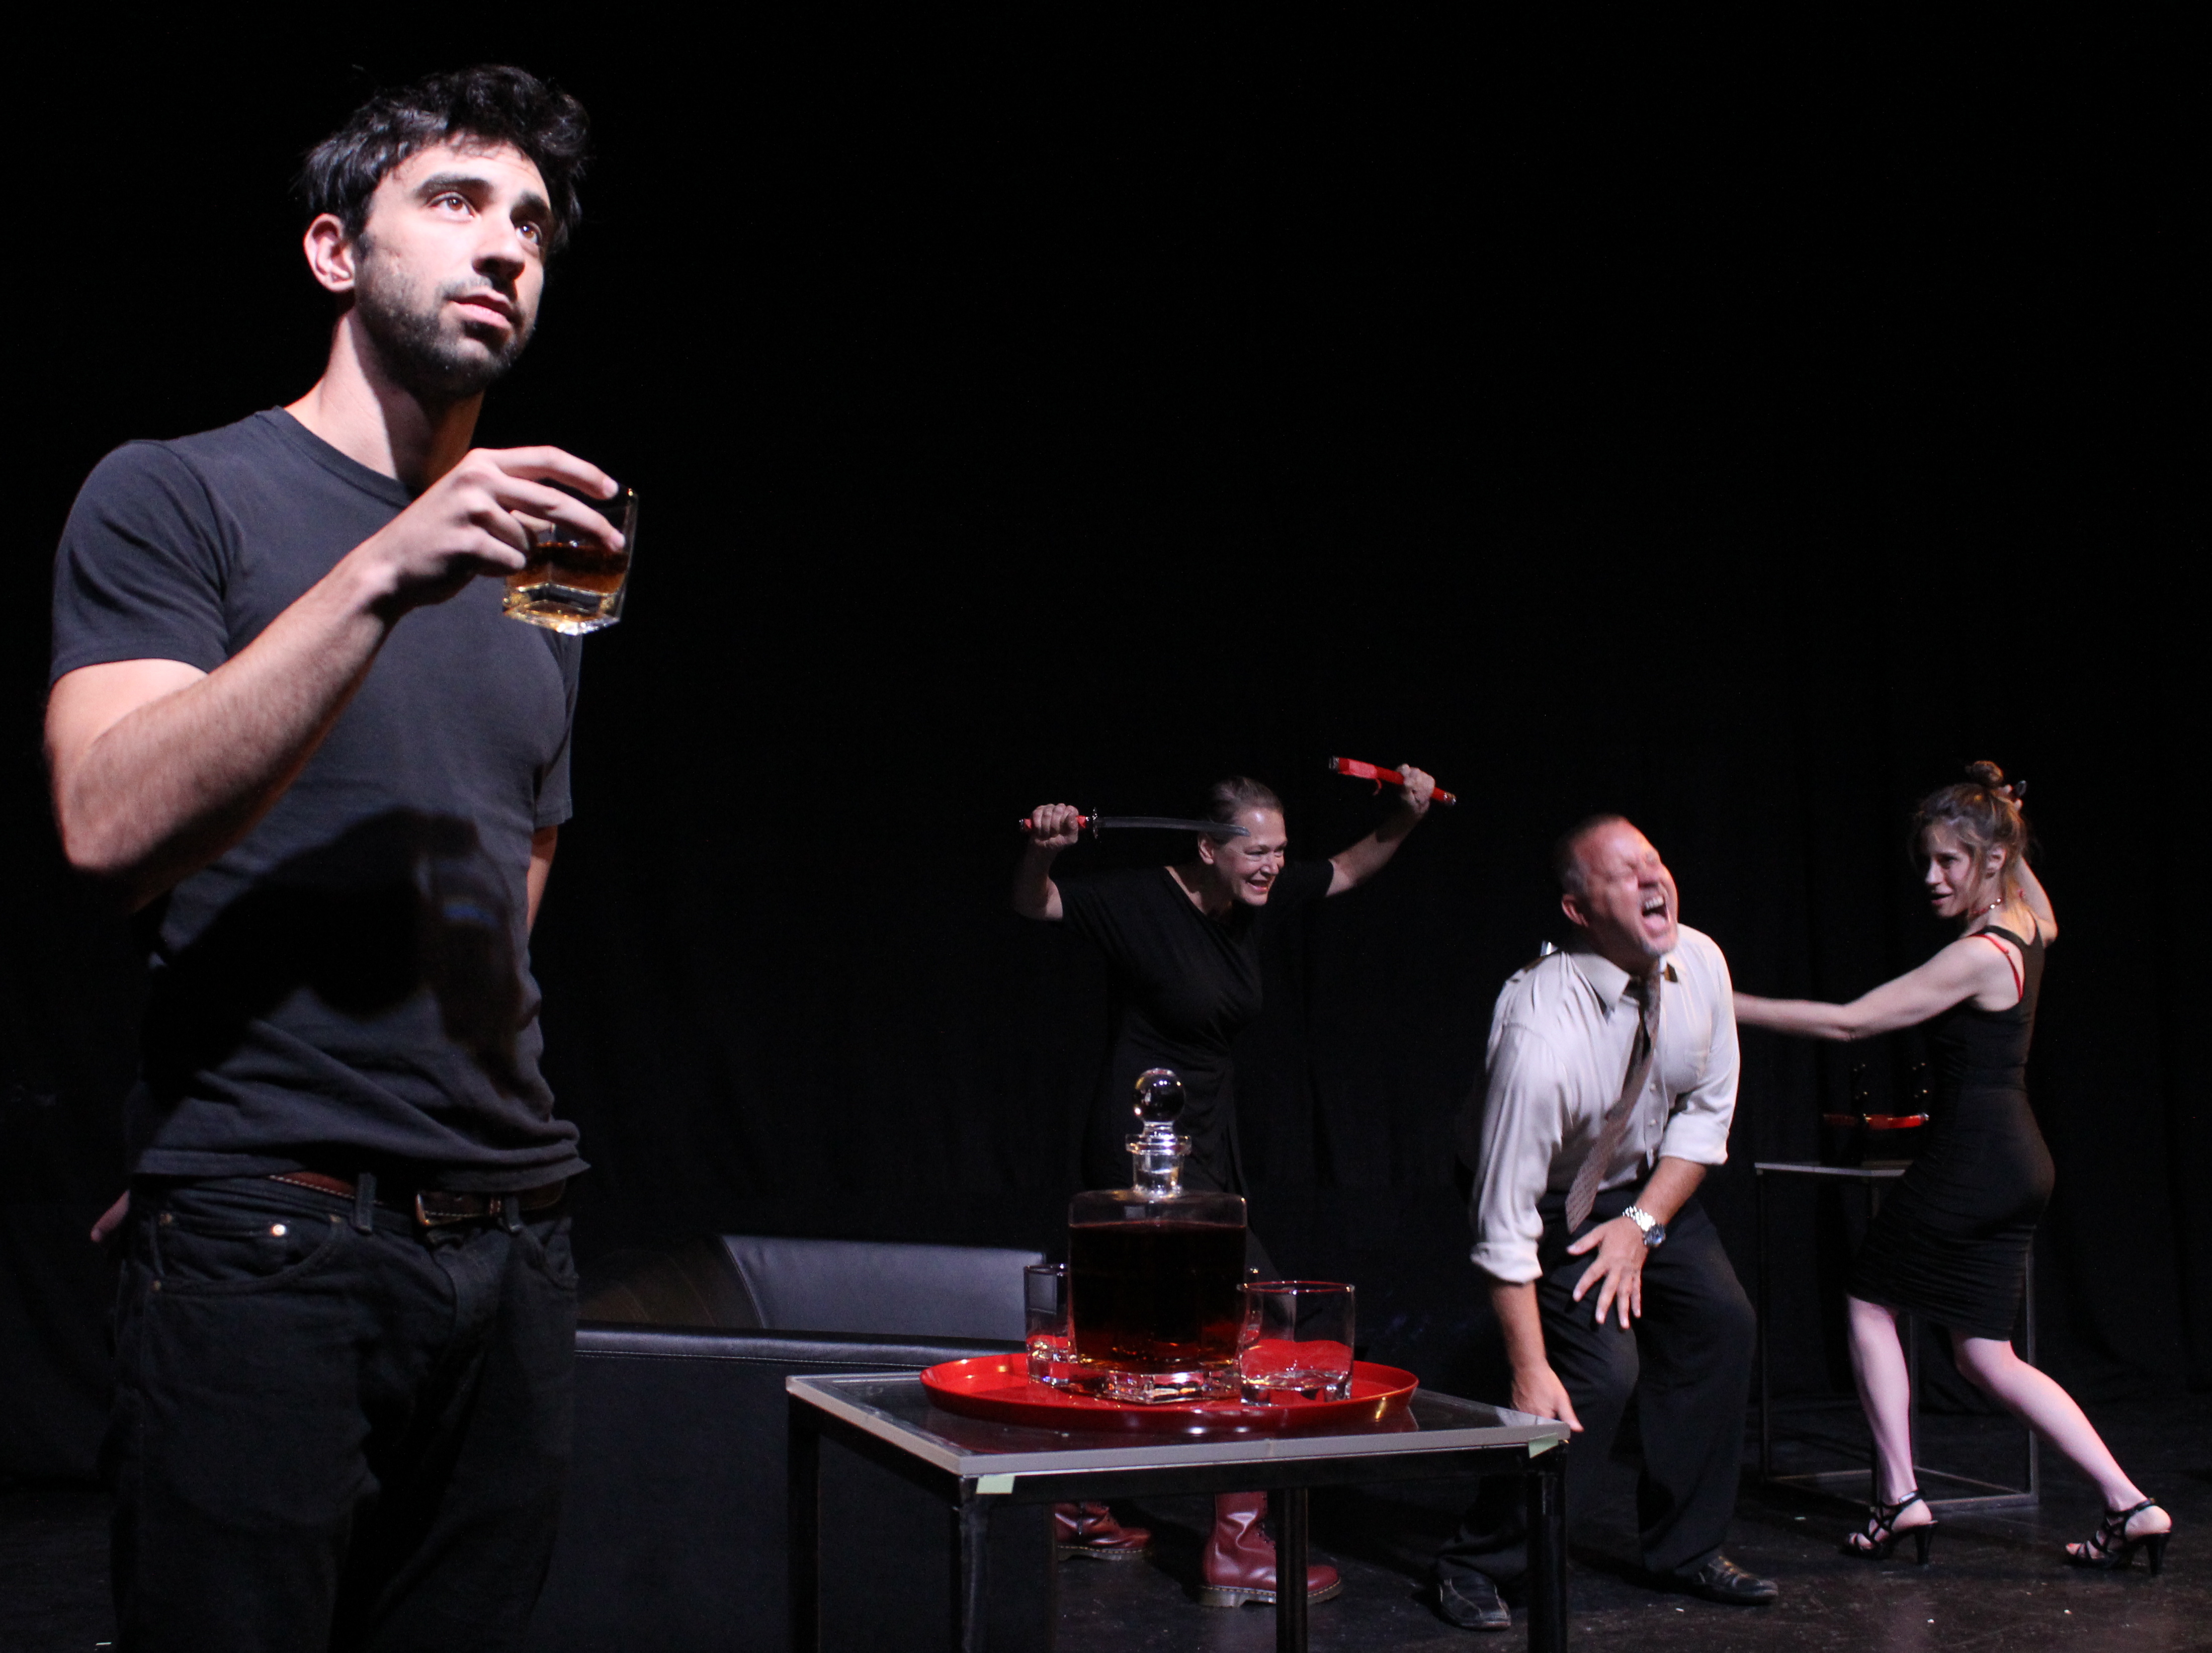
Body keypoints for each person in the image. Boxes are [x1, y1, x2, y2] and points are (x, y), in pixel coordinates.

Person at [46, 66, 623, 1649]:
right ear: (332, 251)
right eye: (455, 201)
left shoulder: (540, 568)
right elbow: (104, 822)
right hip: (276, 1240)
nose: (504, 245)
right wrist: (381, 569)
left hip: (513, 1242)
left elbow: (515, 854)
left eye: (533, 224)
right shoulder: (175, 492)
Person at [1733, 763, 2171, 1574]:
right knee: (1984, 1355)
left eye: (1949, 861)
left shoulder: (1978, 953)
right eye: (1926, 861)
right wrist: (2005, 816)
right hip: (2018, 1161)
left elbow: (1850, 1023)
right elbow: (2037, 897)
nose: (1931, 877)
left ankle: (1898, 1497)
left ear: (1992, 859)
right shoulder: (2027, 923)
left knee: (1868, 1303)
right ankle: (2129, 1502)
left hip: (1972, 1159)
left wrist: (1717, 1002)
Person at [1015, 768, 1434, 1608]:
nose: (1273, 865)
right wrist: (1041, 849)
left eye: (1280, 850)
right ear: (1207, 848)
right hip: (1146, 1140)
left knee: (1131, 1323)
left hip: (1207, 1135)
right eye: (1257, 850)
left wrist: (1407, 813)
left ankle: (1075, 1506)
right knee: (1251, 1317)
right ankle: (1235, 1548)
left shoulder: (1252, 901)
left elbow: (1346, 869)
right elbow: (1038, 903)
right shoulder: (1140, 899)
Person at [1434, 815, 1775, 1633]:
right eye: (1624, 873)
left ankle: (1685, 1549)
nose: (1652, 879)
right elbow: (1503, 1222)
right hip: (1547, 1198)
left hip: (1640, 1183)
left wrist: (1641, 1224)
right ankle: (1479, 1561)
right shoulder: (1539, 1032)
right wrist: (1528, 1370)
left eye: (1654, 860)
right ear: (1578, 910)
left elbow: (1705, 1116)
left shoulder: (1700, 962)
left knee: (1720, 1321)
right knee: (1592, 1377)